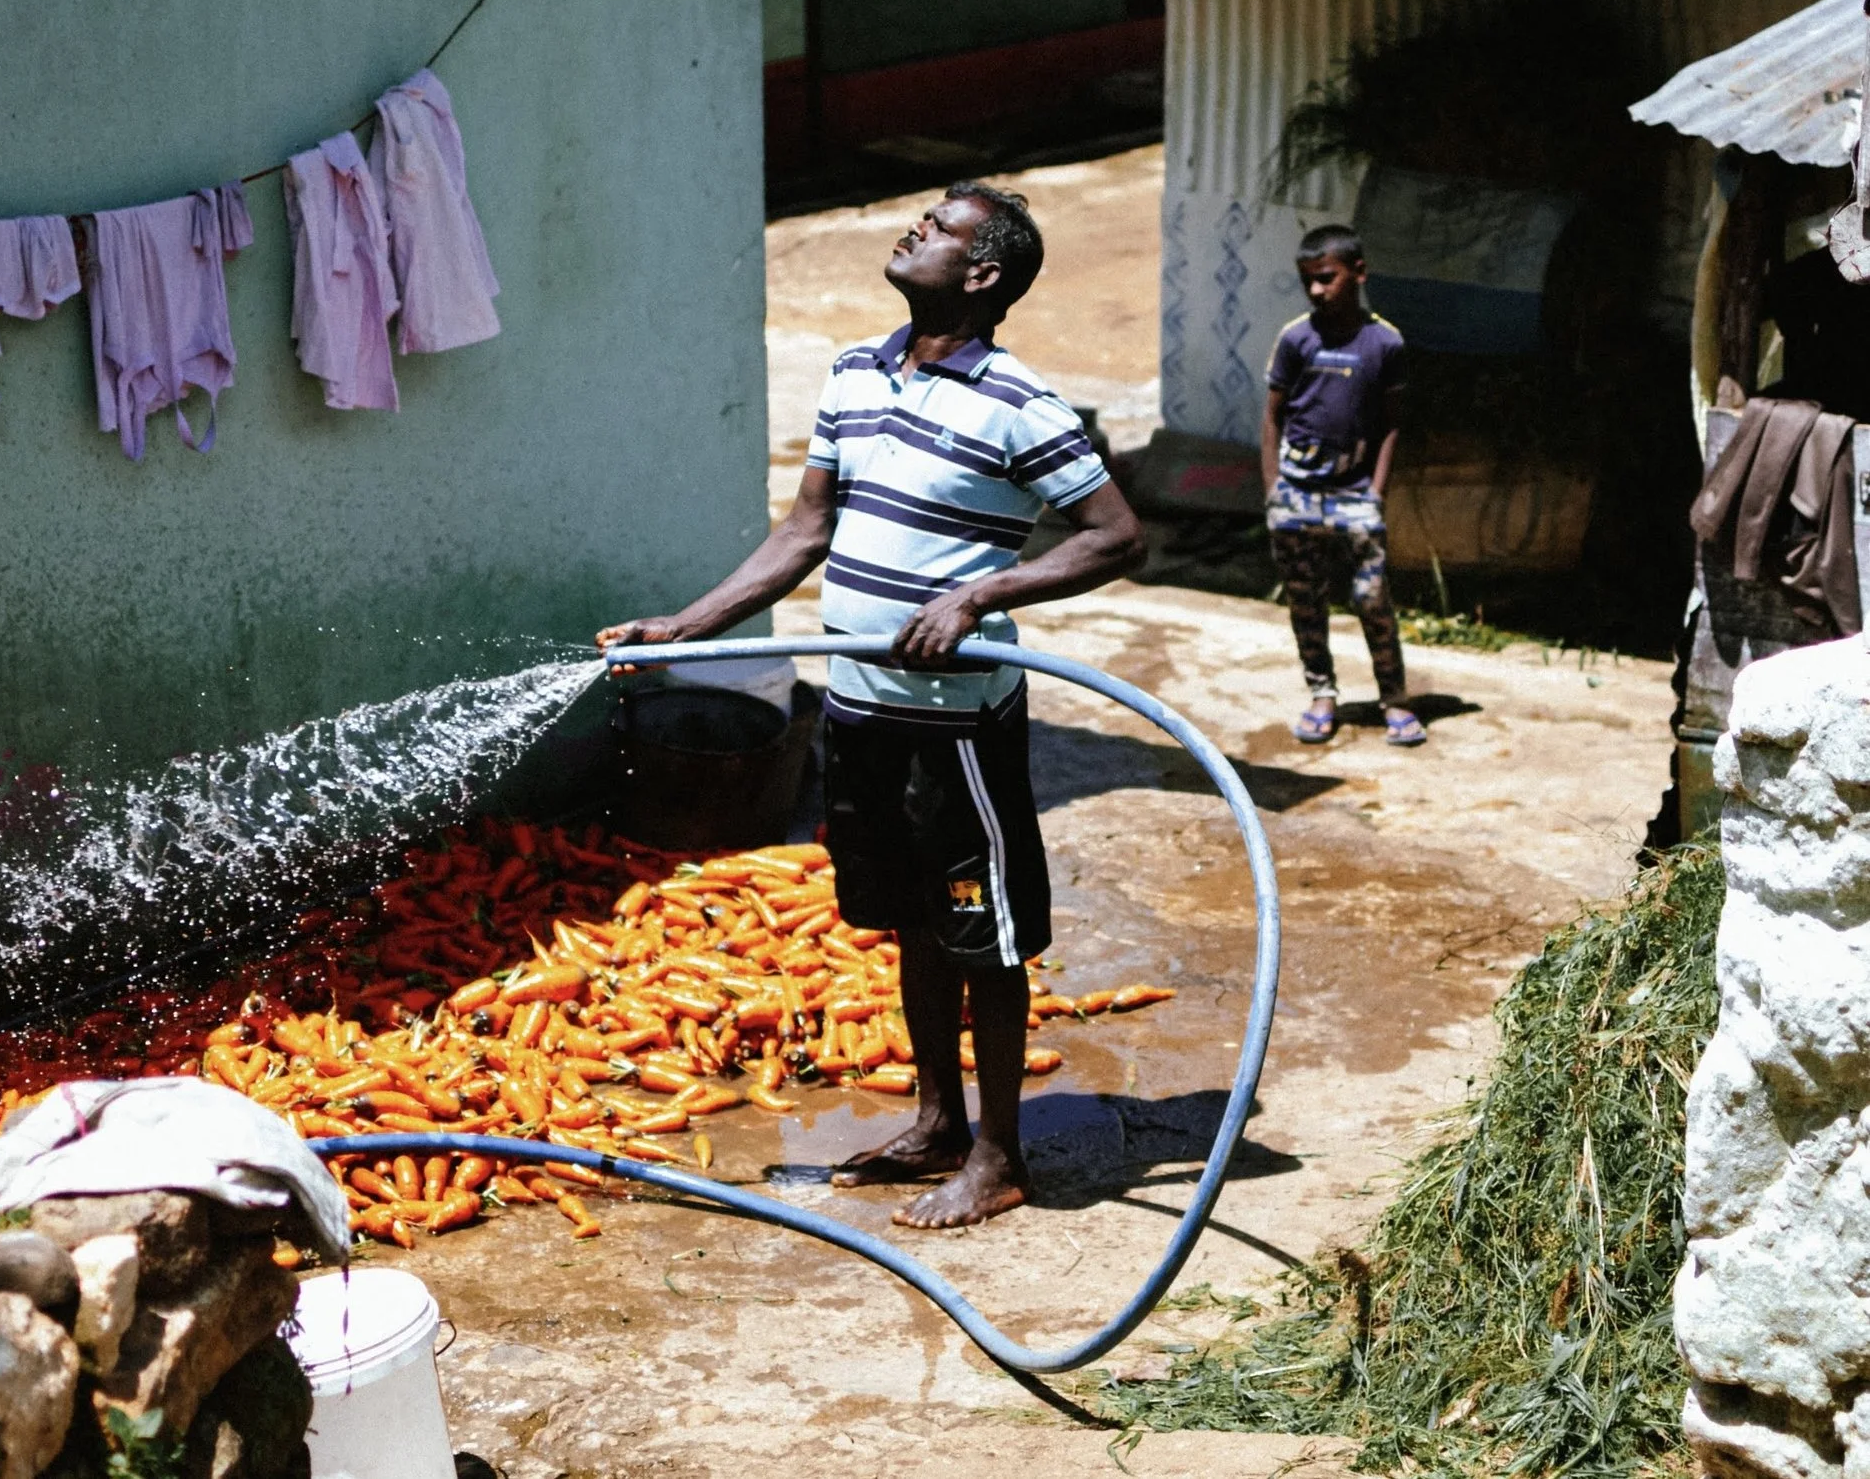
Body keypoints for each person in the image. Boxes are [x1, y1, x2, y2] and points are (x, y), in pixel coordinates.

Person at [598, 182, 1145, 1229]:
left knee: (980, 931)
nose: (914, 229)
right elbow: (804, 533)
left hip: (956, 724)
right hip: (858, 709)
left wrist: (979, 593)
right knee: (908, 920)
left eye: (939, 229)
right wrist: (686, 624)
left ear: (981, 274)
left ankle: (998, 1154)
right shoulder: (853, 372)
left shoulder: (1020, 405)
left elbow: (1116, 535)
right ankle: (937, 1121)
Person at [1260, 225, 1424, 747]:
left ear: (1357, 273)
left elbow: (1395, 422)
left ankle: (1394, 700)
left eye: (1327, 279)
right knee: (1306, 600)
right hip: (1296, 496)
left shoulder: (1385, 342)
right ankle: (1322, 696)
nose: (1316, 291)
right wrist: (1273, 490)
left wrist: (1376, 489)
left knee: (1372, 598)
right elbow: (1272, 417)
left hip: (1355, 496)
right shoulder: (1296, 339)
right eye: (1308, 281)